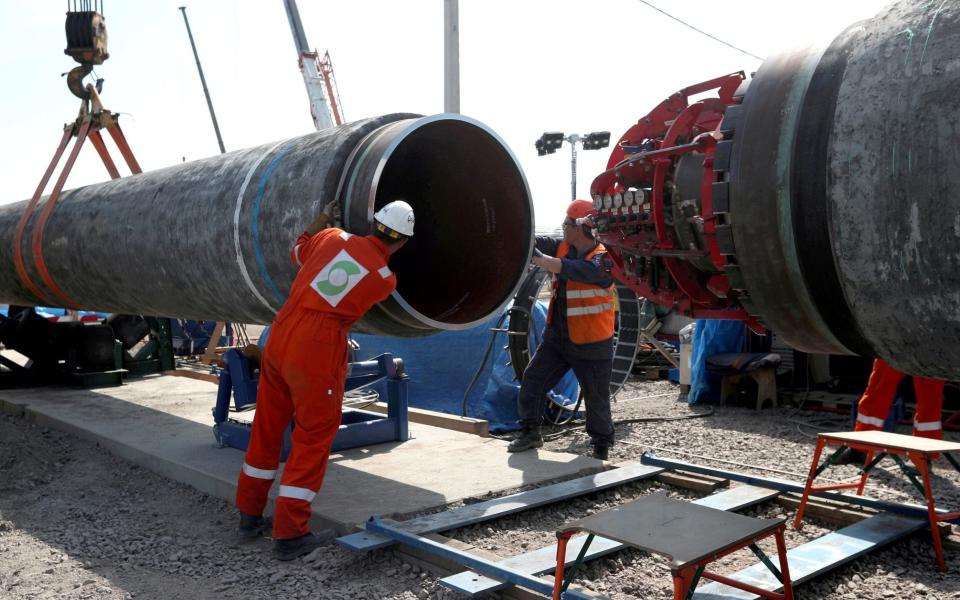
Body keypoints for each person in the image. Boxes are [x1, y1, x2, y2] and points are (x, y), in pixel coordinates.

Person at [234, 198, 415, 560]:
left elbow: (297, 252)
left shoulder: (330, 236)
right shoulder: (384, 279)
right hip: (315, 348)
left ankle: (249, 516)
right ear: (403, 242)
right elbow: (354, 287)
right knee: (313, 436)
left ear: (374, 223)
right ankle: (289, 534)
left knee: (268, 426)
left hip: (281, 332)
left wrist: (316, 223)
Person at [508, 199, 616, 460]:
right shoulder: (562, 246)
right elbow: (532, 241)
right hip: (558, 337)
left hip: (591, 342)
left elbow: (567, 268)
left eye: (567, 223)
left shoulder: (603, 259)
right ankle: (530, 431)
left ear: (580, 227)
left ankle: (601, 446)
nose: (563, 226)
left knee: (596, 397)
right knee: (534, 379)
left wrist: (540, 259)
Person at [841, 358, 945, 463]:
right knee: (876, 393)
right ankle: (859, 450)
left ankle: (923, 457)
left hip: (928, 349)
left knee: (929, 400)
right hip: (895, 347)